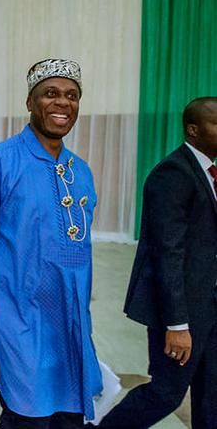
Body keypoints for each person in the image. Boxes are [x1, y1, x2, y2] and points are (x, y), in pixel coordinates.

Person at [0, 58, 102, 427]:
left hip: (70, 327)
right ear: (29, 102)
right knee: (27, 417)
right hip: (17, 323)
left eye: (72, 96)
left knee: (69, 417)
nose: (62, 103)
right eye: (50, 94)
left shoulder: (80, 171)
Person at [95, 97, 217, 429]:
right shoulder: (174, 173)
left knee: (211, 398)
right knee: (165, 394)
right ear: (193, 130)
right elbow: (167, 253)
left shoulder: (209, 172)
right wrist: (177, 326)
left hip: (210, 308)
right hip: (182, 315)